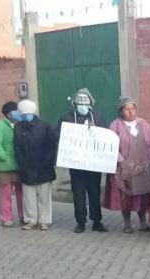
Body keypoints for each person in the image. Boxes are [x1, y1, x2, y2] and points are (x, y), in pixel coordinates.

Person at [56, 89, 108, 233]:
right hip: (76, 166)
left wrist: (95, 130)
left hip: (93, 166)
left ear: (91, 104)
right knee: (78, 194)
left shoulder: (97, 118)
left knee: (95, 193)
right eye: (79, 104)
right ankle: (80, 222)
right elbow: (57, 135)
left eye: (85, 104)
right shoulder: (66, 118)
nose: (82, 107)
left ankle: (97, 221)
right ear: (74, 104)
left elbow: (105, 136)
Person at [104, 96, 150, 233]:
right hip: (125, 168)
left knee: (142, 195)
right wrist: (121, 160)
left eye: (132, 108)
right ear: (121, 112)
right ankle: (127, 224)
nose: (130, 112)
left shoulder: (143, 124)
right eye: (126, 109)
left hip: (143, 167)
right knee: (126, 196)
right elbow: (110, 145)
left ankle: (143, 223)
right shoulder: (115, 125)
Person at [13, 100, 57, 231]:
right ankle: (30, 220)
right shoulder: (18, 128)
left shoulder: (45, 126)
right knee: (28, 196)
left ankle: (44, 220)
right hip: (26, 166)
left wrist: (48, 161)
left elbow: (51, 146)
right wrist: (22, 163)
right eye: (24, 114)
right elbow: (17, 147)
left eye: (28, 114)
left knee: (44, 196)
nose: (26, 116)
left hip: (44, 166)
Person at [0, 101, 24, 228]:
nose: (17, 114)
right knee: (6, 193)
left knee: (22, 192)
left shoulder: (20, 125)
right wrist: (3, 157)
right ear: (8, 114)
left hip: (20, 165)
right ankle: (6, 217)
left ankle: (23, 215)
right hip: (6, 166)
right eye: (15, 111)